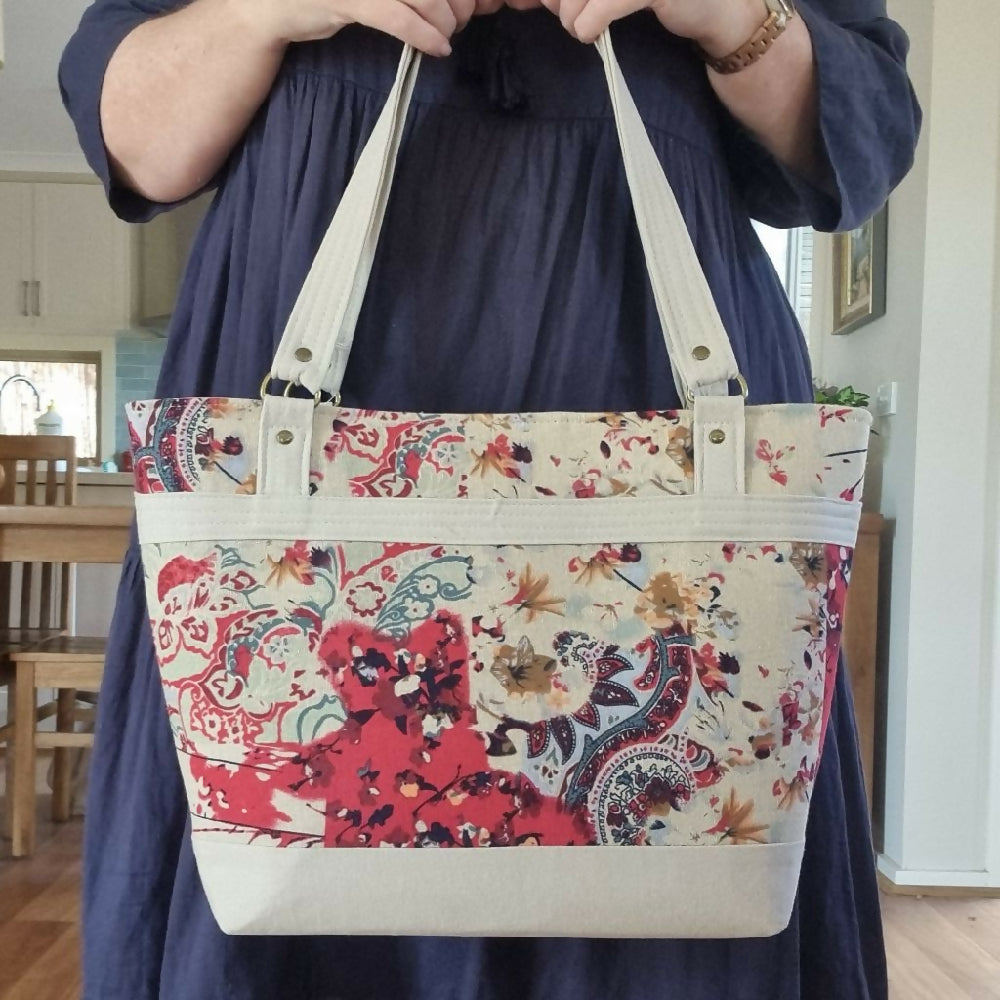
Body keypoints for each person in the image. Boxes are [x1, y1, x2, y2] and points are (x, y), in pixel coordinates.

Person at [59, 1, 920, 997]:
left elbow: (856, 141)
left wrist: (730, 11)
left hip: (650, 334)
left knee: (695, 864)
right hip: (303, 322)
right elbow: (139, 144)